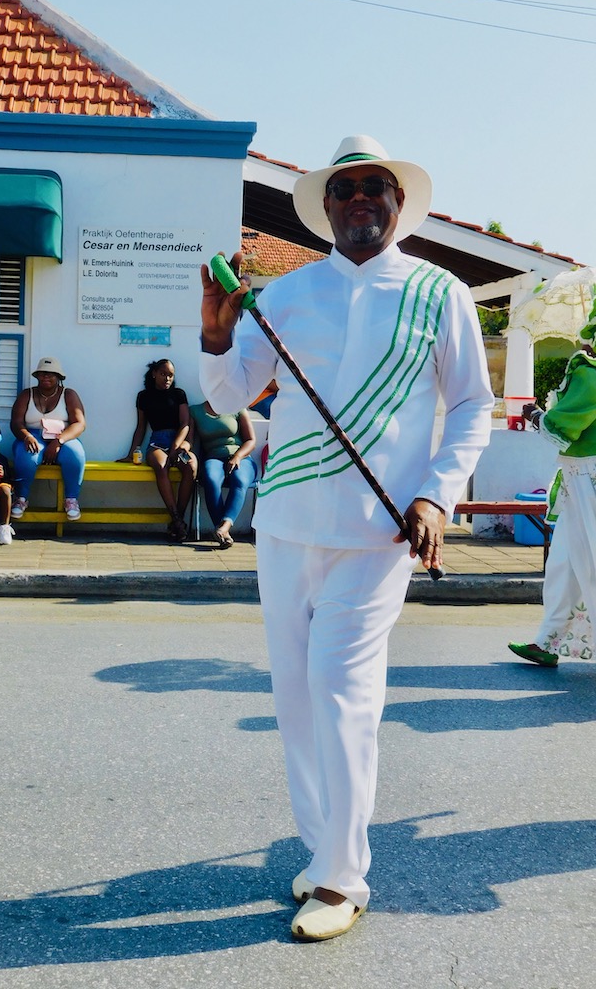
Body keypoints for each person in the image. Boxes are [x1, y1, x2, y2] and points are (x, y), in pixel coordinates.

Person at [198, 135, 494, 941]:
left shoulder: (443, 294)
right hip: (286, 521)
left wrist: (436, 495)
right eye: (346, 188)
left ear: (399, 204)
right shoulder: (288, 295)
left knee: (340, 697)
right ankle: (322, 850)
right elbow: (227, 395)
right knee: (295, 700)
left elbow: (472, 407)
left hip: (378, 531)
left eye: (376, 188)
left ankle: (340, 879)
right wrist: (218, 332)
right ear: (326, 206)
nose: (361, 198)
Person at [509, 285, 596, 673]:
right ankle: (549, 641)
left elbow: (562, 429)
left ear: (592, 333)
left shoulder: (589, 375)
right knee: (584, 559)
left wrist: (535, 415)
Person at [117, 359, 197, 542]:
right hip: (158, 442)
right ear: (154, 373)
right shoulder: (144, 396)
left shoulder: (178, 394)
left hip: (178, 440)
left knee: (190, 467)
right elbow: (141, 427)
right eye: (163, 374)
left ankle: (177, 519)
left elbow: (185, 424)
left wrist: (176, 447)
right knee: (161, 466)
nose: (167, 378)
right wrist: (131, 453)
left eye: (170, 375)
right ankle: (177, 521)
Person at [10, 356, 86, 522]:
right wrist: (27, 436)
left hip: (62, 436)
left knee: (75, 455)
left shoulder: (69, 394)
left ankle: (71, 500)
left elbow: (79, 424)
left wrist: (59, 441)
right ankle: (21, 498)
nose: (46, 377)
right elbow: (16, 422)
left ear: (59, 377)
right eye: (42, 373)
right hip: (32, 435)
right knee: (26, 457)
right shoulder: (26, 395)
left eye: (51, 374)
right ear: (37, 376)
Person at [188, 400, 257, 547]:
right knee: (211, 479)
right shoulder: (196, 411)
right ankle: (223, 532)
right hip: (214, 457)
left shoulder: (237, 407)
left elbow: (251, 440)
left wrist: (237, 457)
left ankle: (224, 527)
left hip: (242, 457)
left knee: (239, 481)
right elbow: (190, 440)